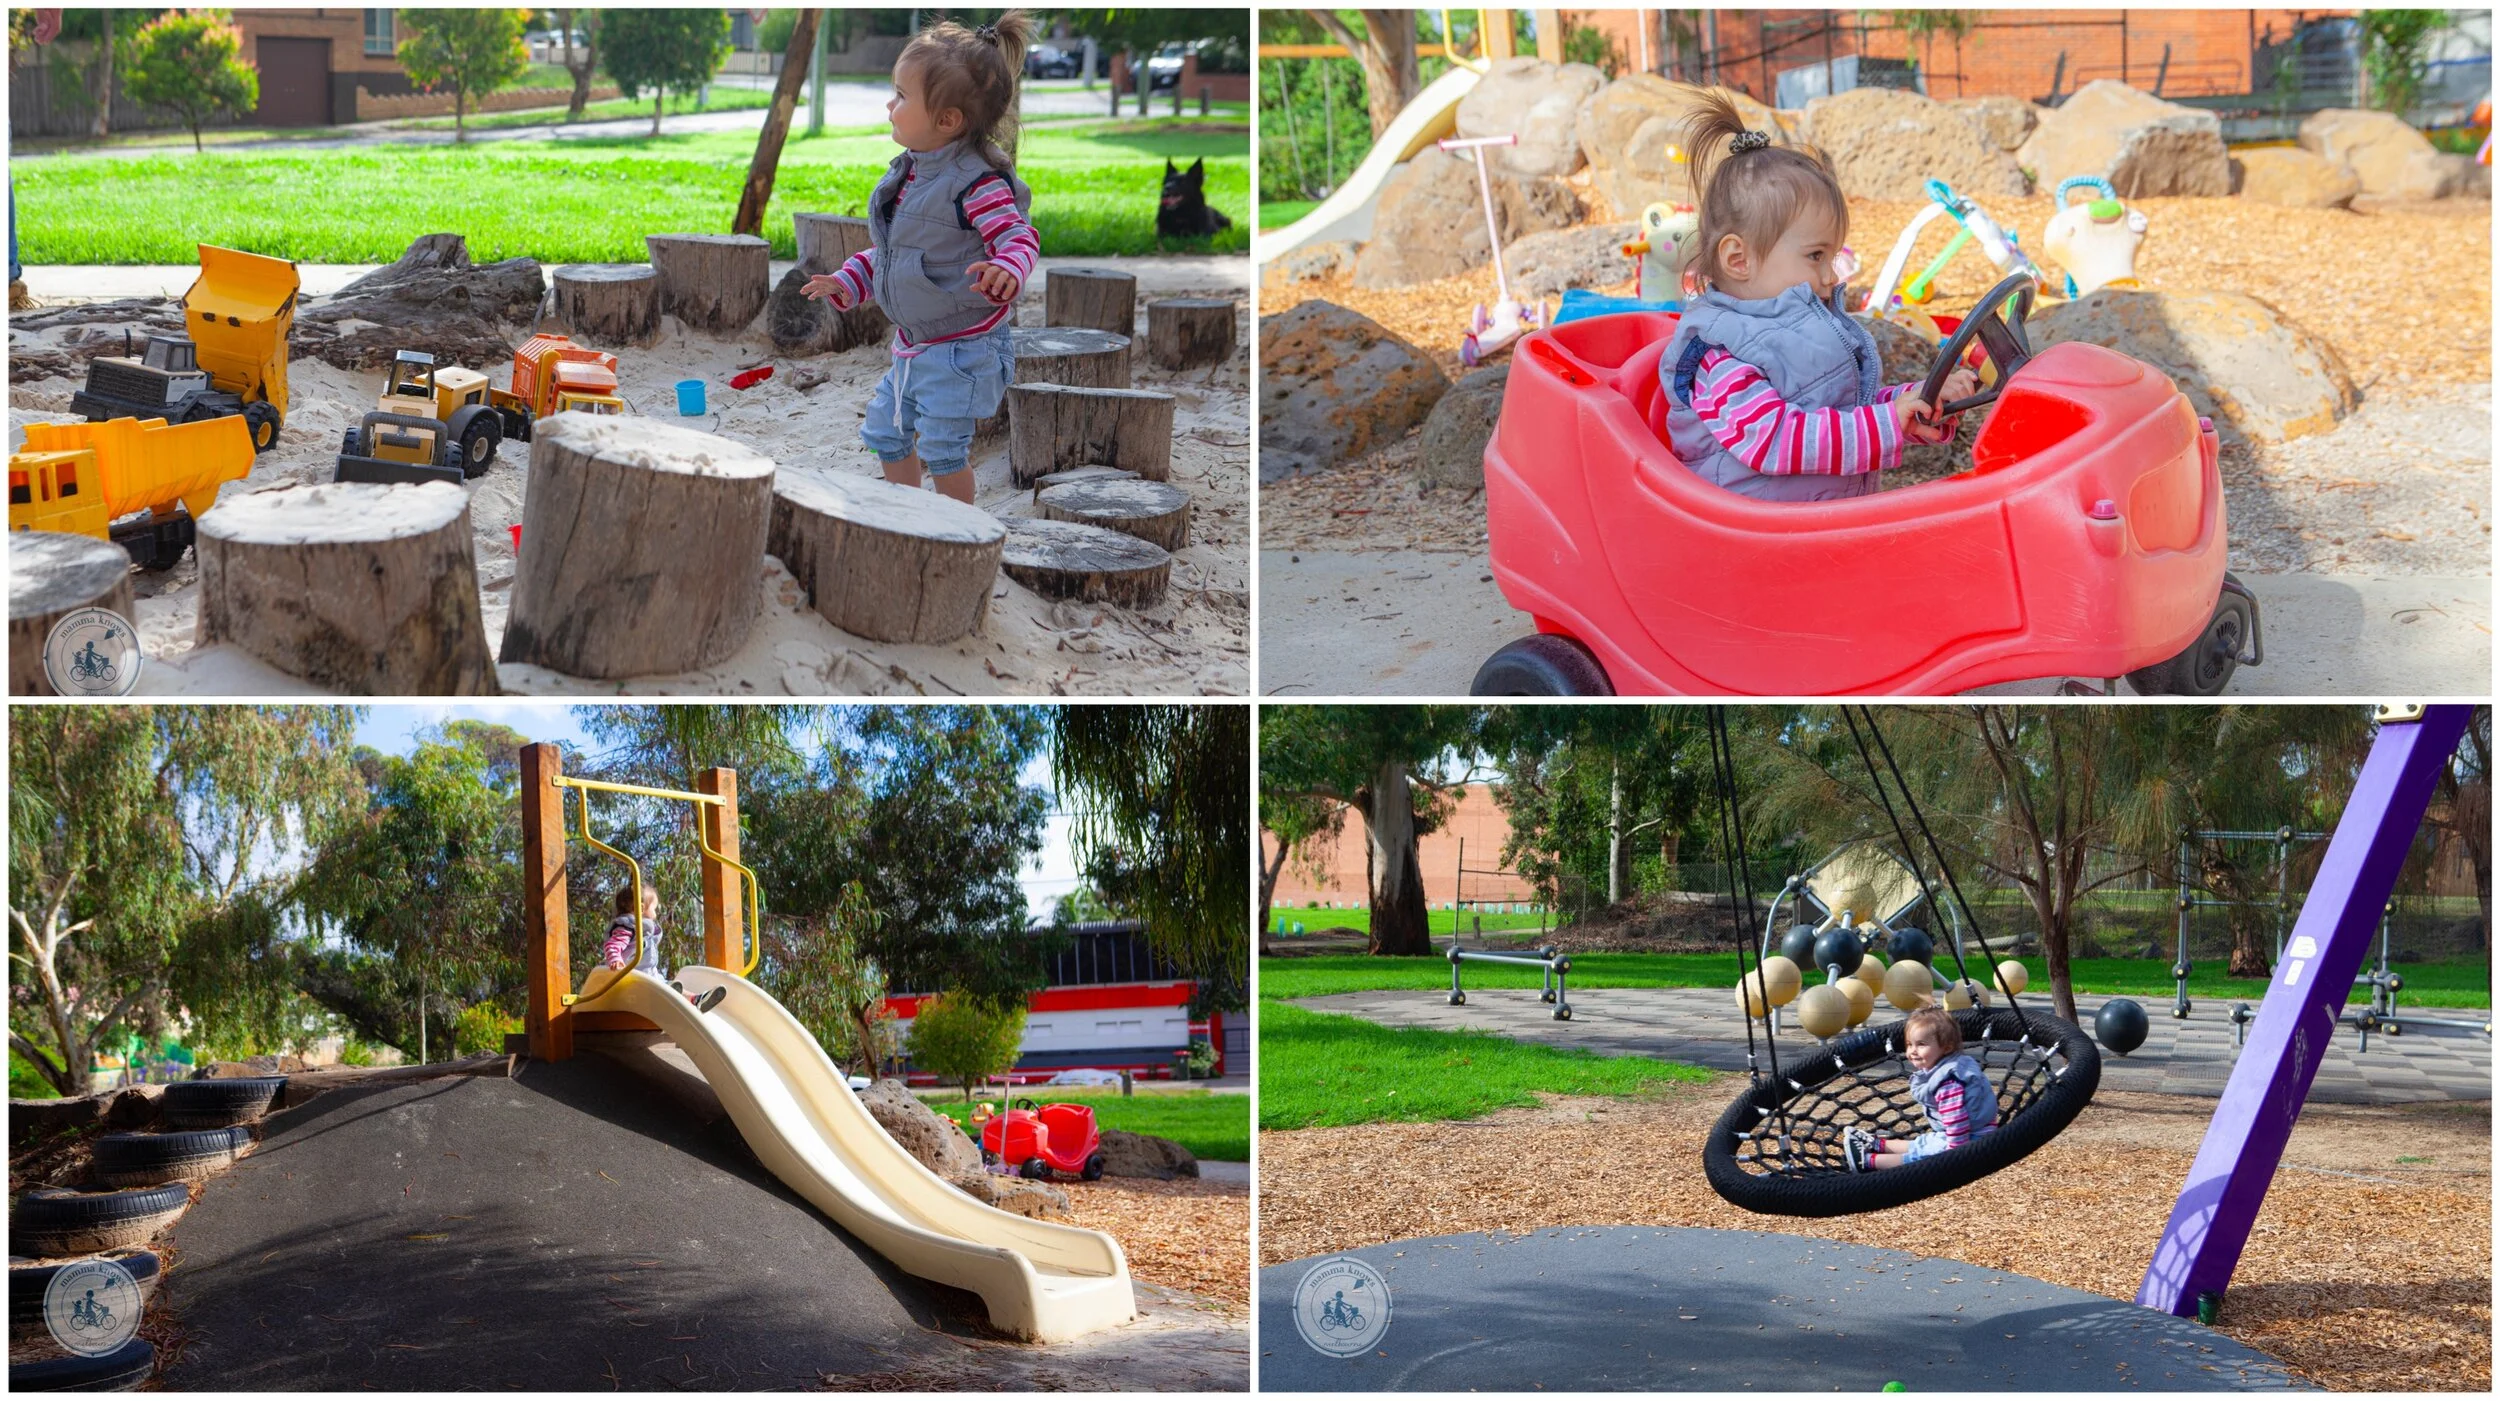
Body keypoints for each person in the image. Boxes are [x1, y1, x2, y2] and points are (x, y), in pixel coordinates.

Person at [1660, 90, 1980, 501]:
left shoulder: (1805, 329)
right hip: (1756, 541)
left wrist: (1914, 402)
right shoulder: (1716, 353)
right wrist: (1886, 423)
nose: (1831, 276)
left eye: (1832, 256)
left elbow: (1847, 410)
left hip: (1816, 528)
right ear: (1738, 259)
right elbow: (1774, 438)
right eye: (1816, 256)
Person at [802, 12, 1040, 505]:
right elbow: (896, 255)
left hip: (963, 351)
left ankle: (957, 529)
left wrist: (1006, 269)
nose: (890, 105)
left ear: (947, 120)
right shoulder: (911, 173)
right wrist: (850, 280)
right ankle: (909, 514)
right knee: (886, 433)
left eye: (902, 96)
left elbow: (1019, 237)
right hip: (913, 348)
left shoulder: (976, 184)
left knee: (944, 450)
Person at [1847, 1004, 1997, 1171]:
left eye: (1921, 1044)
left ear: (1946, 1047)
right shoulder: (1953, 1065)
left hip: (1972, 1140)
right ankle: (1877, 1144)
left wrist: (1956, 1155)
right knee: (1925, 1142)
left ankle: (1869, 1162)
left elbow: (1956, 1119)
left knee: (1926, 1155)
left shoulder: (1948, 1081)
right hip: (1972, 1132)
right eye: (1909, 1044)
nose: (1913, 1051)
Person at [603, 885, 724, 1013]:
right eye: (654, 909)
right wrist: (615, 959)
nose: (655, 914)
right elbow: (613, 945)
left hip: (649, 975)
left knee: (670, 985)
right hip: (632, 978)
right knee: (666, 986)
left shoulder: (642, 930)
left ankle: (696, 999)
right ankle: (673, 996)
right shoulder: (627, 927)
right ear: (641, 908)